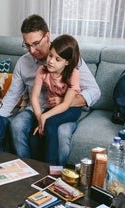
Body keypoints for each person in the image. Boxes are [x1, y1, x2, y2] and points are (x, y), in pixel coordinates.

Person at [0, 14, 101, 166]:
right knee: (17, 125)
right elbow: (12, 96)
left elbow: (94, 91)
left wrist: (67, 101)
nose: (32, 50)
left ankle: (56, 176)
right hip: (35, 109)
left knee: (61, 133)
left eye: (36, 43)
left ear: (47, 36)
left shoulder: (69, 58)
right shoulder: (24, 63)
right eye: (27, 45)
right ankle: (29, 170)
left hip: (64, 109)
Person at [31, 34, 82, 164]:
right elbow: (34, 97)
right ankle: (38, 166)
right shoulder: (42, 71)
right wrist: (39, 117)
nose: (51, 61)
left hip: (71, 109)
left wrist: (45, 117)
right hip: (52, 108)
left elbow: (65, 104)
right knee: (36, 132)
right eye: (50, 55)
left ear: (67, 62)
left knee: (50, 123)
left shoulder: (73, 73)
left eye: (57, 59)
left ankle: (51, 168)